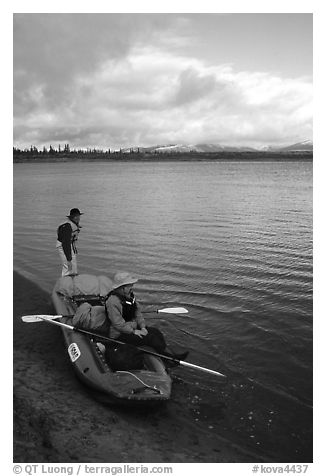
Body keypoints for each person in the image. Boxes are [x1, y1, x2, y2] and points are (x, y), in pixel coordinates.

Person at [105, 271, 189, 362]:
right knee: (151, 338)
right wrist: (134, 332)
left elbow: (137, 313)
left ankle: (169, 356)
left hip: (132, 326)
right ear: (122, 287)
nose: (132, 287)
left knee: (156, 332)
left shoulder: (129, 296)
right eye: (130, 285)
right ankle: (168, 358)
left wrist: (143, 327)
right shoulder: (112, 302)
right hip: (119, 334)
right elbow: (118, 324)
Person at [56, 208, 83, 276]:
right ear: (71, 217)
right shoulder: (67, 226)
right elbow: (65, 243)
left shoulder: (72, 224)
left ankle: (73, 281)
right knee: (68, 266)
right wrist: (68, 259)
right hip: (64, 246)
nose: (77, 218)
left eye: (78, 216)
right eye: (75, 216)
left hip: (69, 245)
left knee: (73, 267)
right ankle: (65, 283)